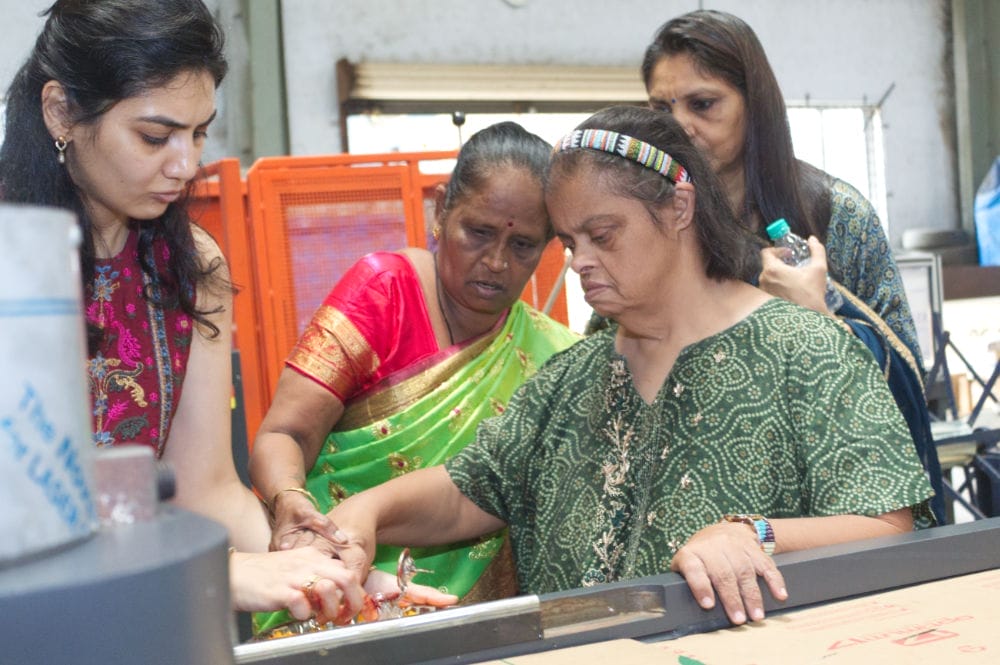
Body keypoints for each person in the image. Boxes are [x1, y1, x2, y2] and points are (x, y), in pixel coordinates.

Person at [320, 106, 935, 627]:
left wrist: (756, 536)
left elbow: (889, 524)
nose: (579, 262)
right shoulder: (572, 377)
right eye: (568, 242)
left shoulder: (805, 350)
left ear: (678, 208)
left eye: (603, 235)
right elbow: (469, 491)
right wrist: (365, 512)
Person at [0, 0, 449, 625]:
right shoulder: (10, 261)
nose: (186, 166)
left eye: (199, 132)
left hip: (137, 615)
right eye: (155, 136)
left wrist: (334, 576)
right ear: (61, 112)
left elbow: (205, 488)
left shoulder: (192, 266)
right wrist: (226, 572)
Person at [248, 121, 580, 635]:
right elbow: (284, 434)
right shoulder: (383, 294)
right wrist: (291, 502)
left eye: (523, 246)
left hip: (473, 622)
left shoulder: (556, 354)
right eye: (480, 232)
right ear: (442, 209)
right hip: (334, 592)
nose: (495, 262)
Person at [639, 9, 945, 523]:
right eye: (660, 108)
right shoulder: (654, 225)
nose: (679, 127)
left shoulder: (834, 213)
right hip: (701, 501)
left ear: (753, 105)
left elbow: (909, 377)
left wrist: (816, 320)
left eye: (703, 104)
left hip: (827, 503)